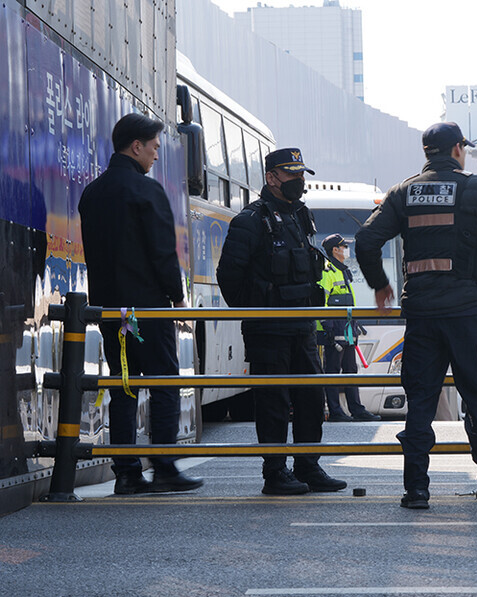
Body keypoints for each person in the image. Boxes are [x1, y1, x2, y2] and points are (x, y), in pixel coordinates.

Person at [355, 121, 477, 509]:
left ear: (427, 152)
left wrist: (380, 285)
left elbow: (366, 240)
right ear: (457, 149)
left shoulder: (403, 191)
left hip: (422, 312)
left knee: (421, 402)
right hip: (467, 312)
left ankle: (416, 490)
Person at [78, 113, 203, 495]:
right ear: (137, 146)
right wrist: (178, 300)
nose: (155, 155)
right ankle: (164, 466)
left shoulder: (92, 193)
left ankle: (127, 473)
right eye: (154, 147)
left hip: (110, 310)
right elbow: (163, 254)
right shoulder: (147, 191)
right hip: (148, 308)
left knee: (124, 386)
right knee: (164, 382)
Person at [216, 148, 347, 496]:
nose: (299, 182)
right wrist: (260, 309)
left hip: (302, 325)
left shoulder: (301, 215)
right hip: (268, 328)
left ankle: (309, 465)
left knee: (310, 397)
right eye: (291, 175)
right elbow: (228, 277)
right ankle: (275, 472)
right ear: (272, 177)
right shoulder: (251, 220)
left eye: (302, 174)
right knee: (273, 401)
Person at [317, 233, 379, 422]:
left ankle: (357, 409)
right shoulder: (326, 271)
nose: (346, 250)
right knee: (333, 370)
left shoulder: (342, 271)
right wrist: (328, 327)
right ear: (335, 250)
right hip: (333, 331)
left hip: (347, 328)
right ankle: (336, 412)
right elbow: (321, 302)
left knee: (351, 369)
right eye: (344, 247)